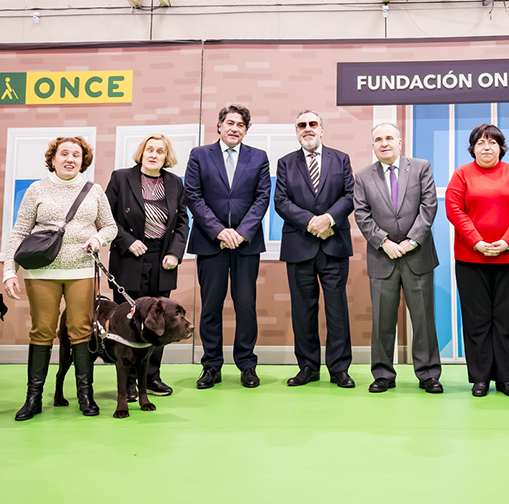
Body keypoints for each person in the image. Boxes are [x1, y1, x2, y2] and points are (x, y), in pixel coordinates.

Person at [4, 136, 117, 421]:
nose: (70, 159)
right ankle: (33, 398)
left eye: (76, 155)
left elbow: (111, 226)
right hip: (42, 271)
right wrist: (9, 271)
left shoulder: (94, 190)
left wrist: (97, 237)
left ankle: (85, 395)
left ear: (83, 160)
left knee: (80, 329)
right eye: (63, 154)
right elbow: (19, 232)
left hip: (81, 269)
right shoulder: (36, 189)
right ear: (52, 159)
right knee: (42, 330)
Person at [184, 105, 271, 389]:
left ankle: (247, 365)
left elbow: (262, 198)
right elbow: (193, 196)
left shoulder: (258, 157)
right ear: (219, 126)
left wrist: (242, 232)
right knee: (210, 307)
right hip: (211, 243)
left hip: (246, 245)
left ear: (246, 130)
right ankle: (211, 366)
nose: (235, 128)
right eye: (230, 123)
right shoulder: (199, 155)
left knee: (246, 306)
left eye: (241, 125)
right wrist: (219, 231)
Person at [352, 123, 443, 394]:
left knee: (424, 319)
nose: (384, 143)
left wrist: (411, 240)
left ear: (399, 142)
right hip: (383, 257)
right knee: (382, 320)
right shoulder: (363, 176)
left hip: (418, 255)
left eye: (389, 137)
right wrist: (384, 242)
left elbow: (429, 206)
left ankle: (428, 374)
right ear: (373, 145)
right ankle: (382, 374)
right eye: (378, 139)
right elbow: (361, 214)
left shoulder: (420, 167)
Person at [446, 124, 509, 398]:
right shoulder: (462, 175)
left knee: (506, 320)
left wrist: (507, 241)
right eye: (481, 142)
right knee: (477, 320)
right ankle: (480, 378)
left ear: (501, 147)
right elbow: (454, 210)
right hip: (471, 259)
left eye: (492, 143)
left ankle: (507, 379)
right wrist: (477, 241)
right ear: (473, 148)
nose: (486, 147)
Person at [274, 110, 356, 388]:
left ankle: (339, 369)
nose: (307, 129)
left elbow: (349, 195)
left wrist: (329, 219)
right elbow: (281, 201)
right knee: (302, 310)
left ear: (322, 129)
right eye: (301, 125)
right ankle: (308, 366)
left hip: (334, 244)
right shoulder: (285, 163)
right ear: (296, 131)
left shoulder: (340, 159)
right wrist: (311, 222)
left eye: (312, 124)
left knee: (337, 310)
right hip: (300, 245)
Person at [105, 134, 190, 399]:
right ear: (142, 152)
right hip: (129, 256)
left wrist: (175, 253)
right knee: (129, 322)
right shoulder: (120, 178)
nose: (154, 154)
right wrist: (128, 241)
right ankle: (128, 381)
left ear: (167, 157)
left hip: (162, 259)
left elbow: (182, 222)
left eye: (160, 151)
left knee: (160, 323)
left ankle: (152, 377)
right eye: (150, 149)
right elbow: (106, 217)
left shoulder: (175, 183)